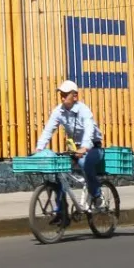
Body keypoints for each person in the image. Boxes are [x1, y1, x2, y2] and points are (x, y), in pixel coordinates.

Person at [35, 79, 104, 222]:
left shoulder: (83, 110)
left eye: (65, 94)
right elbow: (48, 129)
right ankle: (62, 211)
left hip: (93, 147)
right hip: (75, 149)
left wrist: (84, 147)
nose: (62, 97)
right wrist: (39, 148)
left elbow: (89, 129)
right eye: (61, 94)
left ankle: (97, 195)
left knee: (85, 162)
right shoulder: (58, 111)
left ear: (75, 96)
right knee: (59, 170)